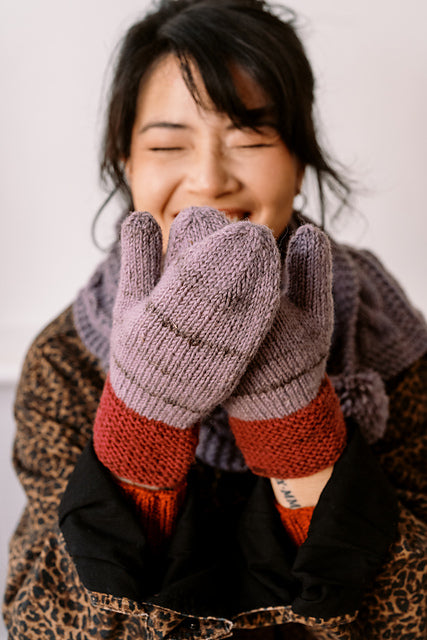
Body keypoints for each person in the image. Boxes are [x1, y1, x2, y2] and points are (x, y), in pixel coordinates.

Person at [3, 0, 427, 638]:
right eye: (167, 144)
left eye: (250, 138)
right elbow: (41, 619)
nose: (208, 179)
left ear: (300, 161)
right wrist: (142, 419)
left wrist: (295, 429)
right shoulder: (67, 360)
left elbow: (410, 616)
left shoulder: (390, 342)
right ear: (126, 162)